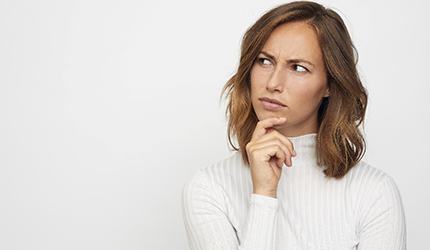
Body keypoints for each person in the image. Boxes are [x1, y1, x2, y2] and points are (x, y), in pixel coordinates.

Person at [181, 1, 407, 249]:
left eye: (298, 68)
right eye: (264, 61)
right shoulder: (210, 188)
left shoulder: (374, 192)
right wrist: (264, 195)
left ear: (330, 84)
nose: (273, 83)